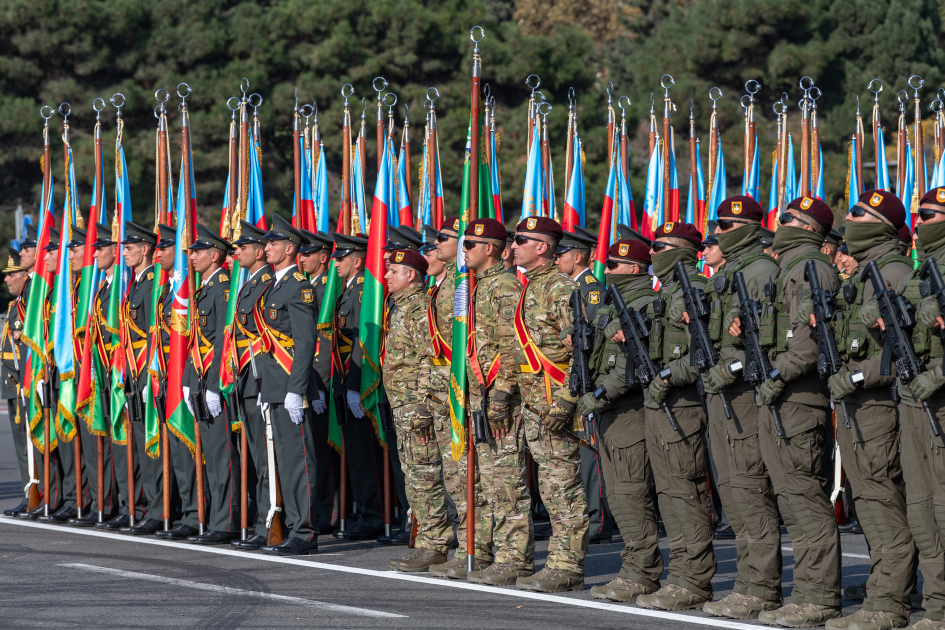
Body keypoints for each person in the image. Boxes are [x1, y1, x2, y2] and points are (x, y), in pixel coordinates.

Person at [730, 197, 841, 626]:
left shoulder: (810, 268)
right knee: (790, 502)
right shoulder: (789, 268)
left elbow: (807, 346)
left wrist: (775, 377)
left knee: (804, 501)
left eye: (790, 219)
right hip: (781, 396)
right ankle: (804, 592)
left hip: (796, 399)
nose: (780, 223)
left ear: (812, 229)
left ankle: (818, 597)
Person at [824, 190, 915, 630]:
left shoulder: (892, 271)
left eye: (861, 214)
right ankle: (889, 584)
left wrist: (855, 378)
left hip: (877, 405)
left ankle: (889, 600)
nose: (851, 219)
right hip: (858, 406)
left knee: (881, 500)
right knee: (870, 500)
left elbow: (900, 352)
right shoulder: (867, 273)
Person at [700, 197, 783, 619]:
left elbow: (768, 343)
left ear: (751, 227)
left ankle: (763, 587)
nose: (724, 231)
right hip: (722, 394)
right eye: (722, 225)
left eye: (732, 224)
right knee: (734, 493)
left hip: (746, 396)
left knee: (751, 491)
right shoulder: (731, 273)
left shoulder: (760, 272)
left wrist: (729, 368)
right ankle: (749, 583)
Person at [632, 221, 717, 610]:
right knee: (669, 494)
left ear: (681, 249)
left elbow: (704, 354)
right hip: (660, 403)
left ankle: (694, 581)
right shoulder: (667, 291)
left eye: (660, 245)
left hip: (680, 405)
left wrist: (667, 377)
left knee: (685, 493)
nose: (652, 252)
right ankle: (681, 575)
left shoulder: (694, 289)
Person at [577, 236, 663, 602]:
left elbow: (630, 366)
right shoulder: (616, 302)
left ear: (634, 269)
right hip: (610, 412)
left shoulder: (642, 303)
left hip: (628, 410)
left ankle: (642, 572)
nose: (606, 271)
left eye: (612, 266)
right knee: (618, 495)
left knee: (629, 495)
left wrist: (596, 397)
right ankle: (633, 568)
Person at [510, 216, 587, 593]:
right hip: (533, 401)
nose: (514, 245)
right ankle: (557, 561)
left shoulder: (558, 287)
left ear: (543, 247)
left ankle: (566, 565)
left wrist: (566, 402)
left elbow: (581, 351)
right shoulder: (533, 286)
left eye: (522, 239)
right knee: (549, 484)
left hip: (553, 402)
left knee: (562, 485)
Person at [882, 186, 945, 630]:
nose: (921, 221)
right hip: (915, 399)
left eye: (931, 214)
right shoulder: (927, 269)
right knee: (922, 511)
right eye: (920, 213)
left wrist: (937, 376)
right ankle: (938, 606)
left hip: (938, 400)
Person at [461, 218, 533, 586]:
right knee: (492, 480)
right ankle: (500, 553)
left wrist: (502, 396)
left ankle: (515, 558)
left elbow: (512, 347)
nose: (464, 250)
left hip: (499, 399)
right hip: (481, 397)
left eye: (470, 244)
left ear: (490, 248)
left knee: (508, 482)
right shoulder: (479, 287)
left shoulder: (503, 286)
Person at [429, 217, 493, 579]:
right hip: (448, 396)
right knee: (456, 480)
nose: (438, 245)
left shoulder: (474, 286)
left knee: (485, 483)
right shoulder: (450, 286)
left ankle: (481, 549)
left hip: (479, 397)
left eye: (448, 239)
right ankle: (468, 545)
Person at [255, 214, 320, 556]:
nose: (267, 248)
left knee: (299, 461)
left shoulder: (298, 286)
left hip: (292, 389)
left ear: (290, 248)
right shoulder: (273, 285)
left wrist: (297, 389)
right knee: (283, 459)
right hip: (274, 387)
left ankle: (306, 531)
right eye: (266, 243)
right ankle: (294, 526)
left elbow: (306, 343)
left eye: (273, 243)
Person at [383, 248, 452, 570]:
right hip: (405, 406)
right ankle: (430, 541)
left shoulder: (419, 308)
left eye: (392, 271)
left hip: (418, 409)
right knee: (416, 477)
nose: (385, 276)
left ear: (410, 275)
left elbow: (433, 359)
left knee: (425, 477)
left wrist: (423, 406)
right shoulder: (400, 306)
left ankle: (436, 543)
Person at [182, 224, 241, 545]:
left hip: (216, 383)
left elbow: (222, 342)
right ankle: (218, 516)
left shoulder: (223, 288)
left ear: (215, 256)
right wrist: (190, 382)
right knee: (213, 456)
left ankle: (228, 519)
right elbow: (195, 343)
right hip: (201, 381)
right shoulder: (205, 288)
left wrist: (215, 385)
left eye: (198, 252)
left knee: (222, 456)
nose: (192, 258)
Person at [554, 225, 613, 545]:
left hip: (587, 379)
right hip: (572, 379)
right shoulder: (570, 286)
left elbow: (590, 338)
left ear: (578, 256)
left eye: (562, 254)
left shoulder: (589, 288)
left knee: (590, 455)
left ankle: (598, 522)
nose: (557, 258)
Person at [331, 231, 384, 540]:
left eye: (341, 258)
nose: (336, 263)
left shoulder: (362, 292)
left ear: (357, 260)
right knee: (355, 452)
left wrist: (354, 385)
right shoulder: (347, 290)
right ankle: (365, 512)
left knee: (366, 454)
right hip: (344, 378)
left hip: (357, 379)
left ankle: (374, 515)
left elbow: (361, 344)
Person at [152, 223, 204, 540]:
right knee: (178, 453)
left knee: (193, 450)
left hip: (188, 375)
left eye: (164, 248)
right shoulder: (167, 288)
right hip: (167, 376)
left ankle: (198, 512)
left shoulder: (189, 287)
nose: (159, 254)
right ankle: (187, 510)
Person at [117, 222, 168, 535]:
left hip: (148, 372)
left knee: (153, 444)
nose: (124, 253)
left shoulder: (151, 284)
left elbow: (154, 332)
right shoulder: (136, 283)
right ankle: (150, 505)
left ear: (146, 249)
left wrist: (152, 373)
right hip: (133, 374)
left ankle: (160, 509)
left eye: (129, 247)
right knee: (139, 442)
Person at [226, 220, 274, 549]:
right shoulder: (247, 285)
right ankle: (264, 518)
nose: (237, 252)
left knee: (268, 457)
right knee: (258, 456)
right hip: (248, 379)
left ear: (260, 251)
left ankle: (270, 521)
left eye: (242, 247)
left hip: (262, 378)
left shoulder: (267, 284)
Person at [298, 229, 339, 535]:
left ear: (324, 258)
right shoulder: (308, 287)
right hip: (309, 379)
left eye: (308, 254)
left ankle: (326, 512)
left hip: (321, 380)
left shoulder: (327, 288)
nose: (302, 258)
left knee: (323, 455)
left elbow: (324, 341)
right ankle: (319, 511)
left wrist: (319, 384)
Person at [1, 249, 31, 517]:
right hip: (13, 386)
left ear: (25, 276)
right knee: (23, 446)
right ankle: (28, 493)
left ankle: (35, 494)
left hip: (24, 385)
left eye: (12, 275)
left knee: (29, 444)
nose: (7, 280)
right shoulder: (14, 306)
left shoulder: (26, 304)